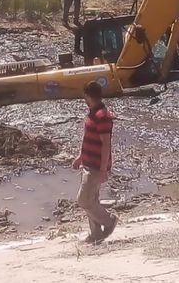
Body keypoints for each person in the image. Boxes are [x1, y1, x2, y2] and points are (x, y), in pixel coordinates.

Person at [72, 81, 118, 243]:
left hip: (96, 166)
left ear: (87, 95)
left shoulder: (102, 116)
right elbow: (87, 139)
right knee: (92, 200)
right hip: (88, 162)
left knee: (83, 200)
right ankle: (96, 233)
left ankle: (109, 220)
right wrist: (80, 156)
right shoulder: (92, 114)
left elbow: (106, 144)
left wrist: (103, 169)